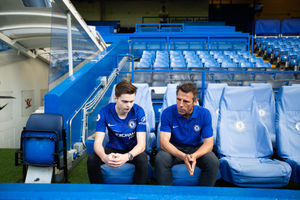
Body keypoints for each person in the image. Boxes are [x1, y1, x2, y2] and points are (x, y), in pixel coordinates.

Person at [155, 82, 219, 186]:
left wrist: (194, 156)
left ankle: (203, 195)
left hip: (195, 149)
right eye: (178, 99)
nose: (180, 104)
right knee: (161, 158)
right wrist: (184, 156)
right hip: (174, 149)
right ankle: (167, 195)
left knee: (213, 162)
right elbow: (164, 143)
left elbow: (209, 144)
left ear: (195, 102)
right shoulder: (167, 112)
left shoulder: (204, 113)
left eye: (186, 101)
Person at [87, 80, 148, 184]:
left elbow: (142, 145)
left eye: (132, 101)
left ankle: (137, 193)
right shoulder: (105, 112)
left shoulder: (138, 111)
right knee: (92, 159)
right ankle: (98, 191)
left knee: (143, 159)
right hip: (113, 148)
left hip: (132, 150)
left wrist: (126, 156)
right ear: (115, 98)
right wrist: (104, 157)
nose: (129, 105)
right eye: (125, 101)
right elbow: (97, 143)